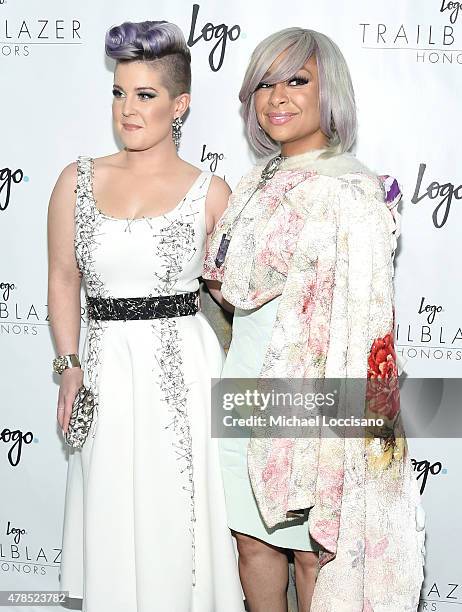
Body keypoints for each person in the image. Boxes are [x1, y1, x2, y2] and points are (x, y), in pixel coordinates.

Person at [203, 27, 426, 611]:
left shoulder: (354, 191)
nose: (277, 97)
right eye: (264, 85)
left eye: (297, 81)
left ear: (330, 92)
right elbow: (229, 293)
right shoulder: (251, 184)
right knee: (251, 544)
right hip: (244, 387)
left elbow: (367, 323)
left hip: (317, 398)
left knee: (314, 553)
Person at [47, 20, 244, 612]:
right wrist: (70, 366)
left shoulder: (212, 194)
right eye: (118, 93)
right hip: (105, 366)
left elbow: (238, 295)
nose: (127, 110)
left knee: (178, 512)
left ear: (179, 105)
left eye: (145, 95)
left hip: (184, 367)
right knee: (110, 504)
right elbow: (63, 280)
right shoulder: (75, 181)